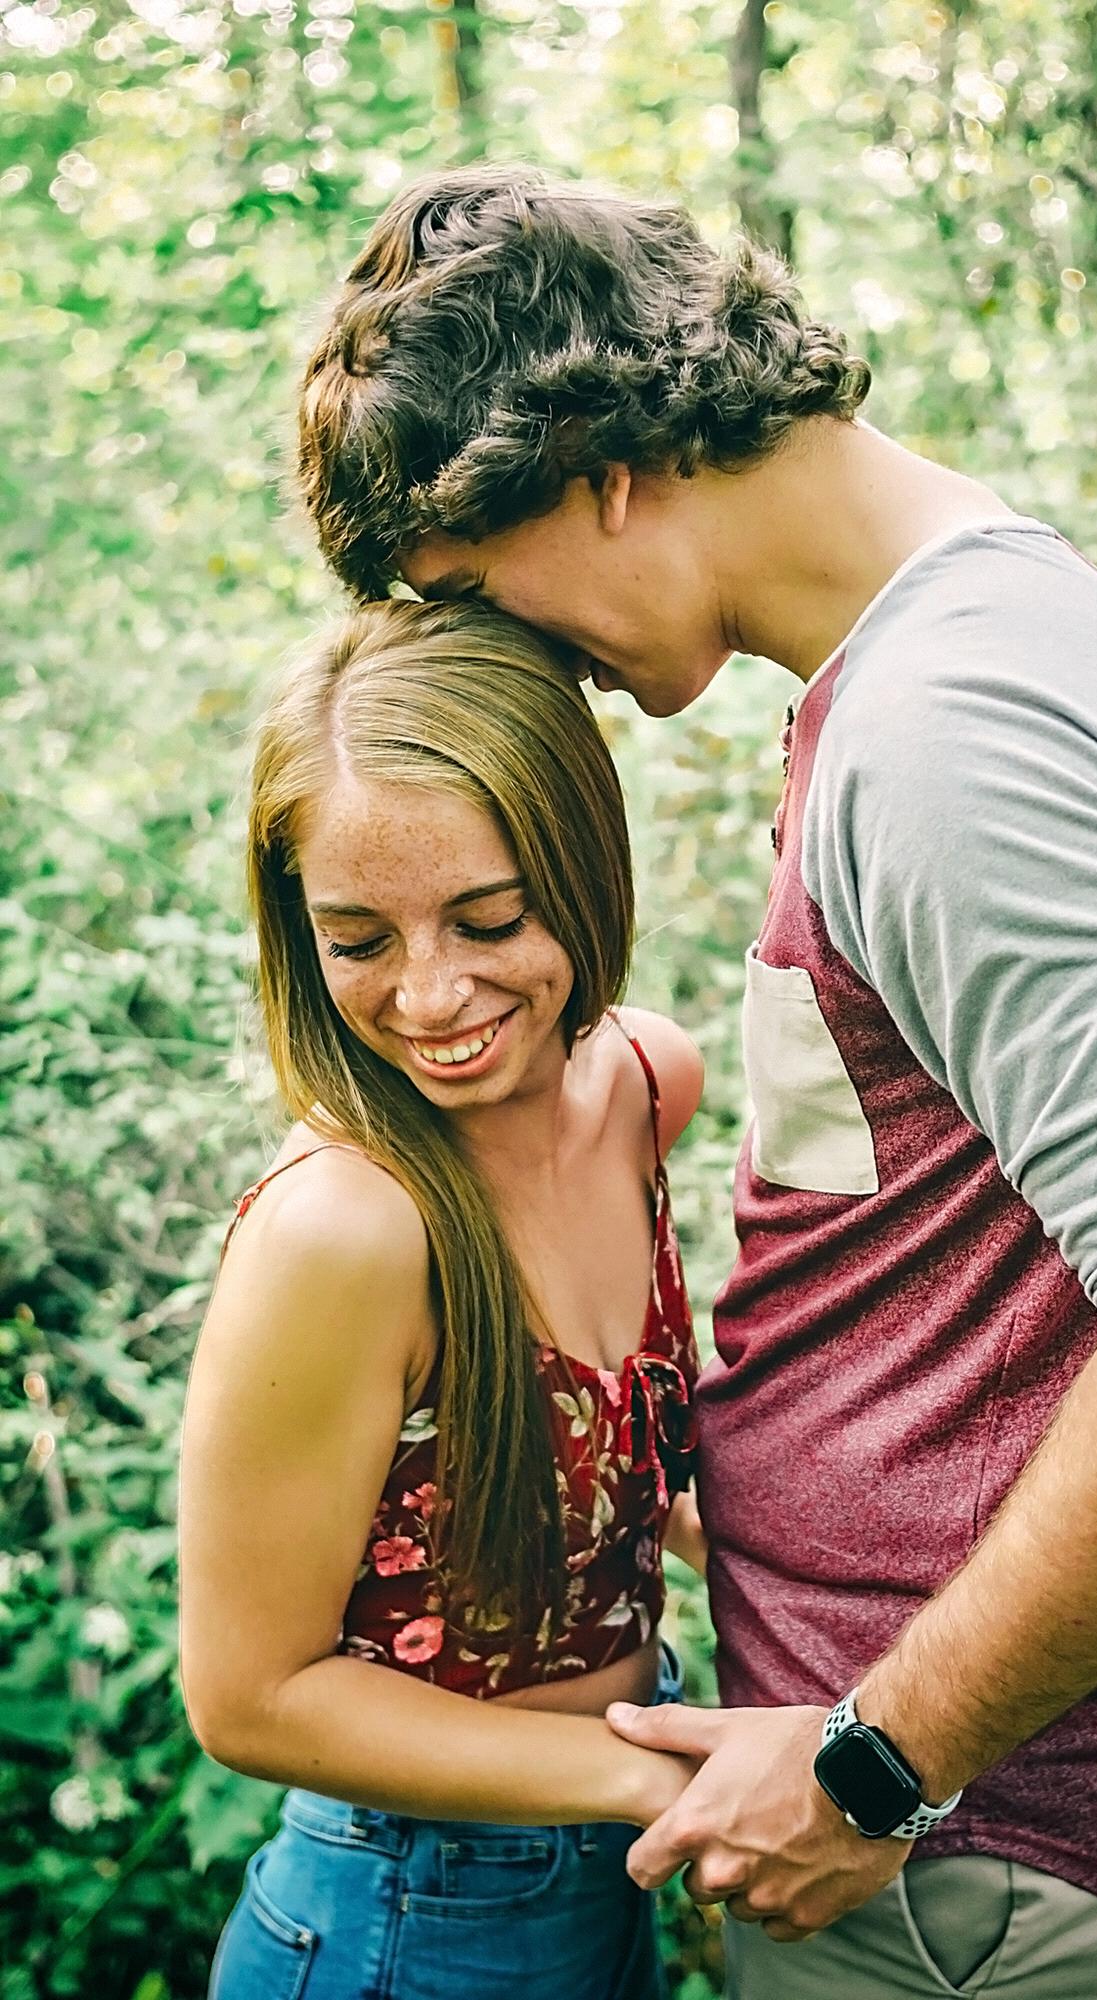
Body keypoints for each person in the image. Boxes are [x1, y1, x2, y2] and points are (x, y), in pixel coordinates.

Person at [294, 169, 1097, 2000]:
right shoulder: (959, 652)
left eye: (472, 588)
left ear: (598, 472)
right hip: (955, 1840)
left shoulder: (950, 732)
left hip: (970, 1863)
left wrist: (872, 1763)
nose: (519, 663)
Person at [178, 597, 707, 2000]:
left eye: (489, 919)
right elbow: (250, 1698)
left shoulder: (646, 1086)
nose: (429, 997)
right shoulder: (347, 1231)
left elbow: (615, 1469)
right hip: (406, 1916)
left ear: (582, 865)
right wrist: (661, 1778)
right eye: (359, 941)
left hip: (606, 1879)